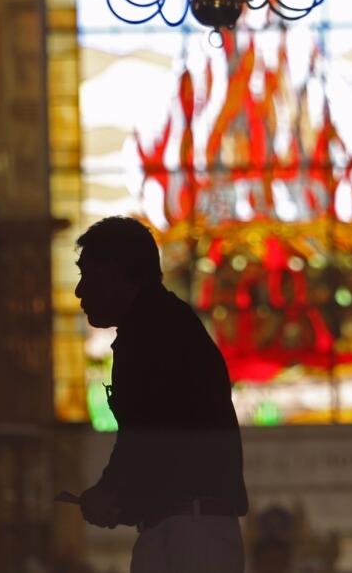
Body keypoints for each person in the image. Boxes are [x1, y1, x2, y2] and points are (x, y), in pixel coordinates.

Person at [74, 216, 248, 573]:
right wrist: (115, 494)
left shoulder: (154, 332)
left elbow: (151, 434)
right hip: (183, 527)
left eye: (87, 275)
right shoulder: (159, 324)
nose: (79, 291)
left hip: (190, 532)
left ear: (115, 272)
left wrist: (112, 494)